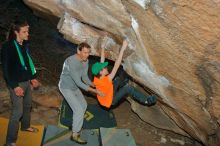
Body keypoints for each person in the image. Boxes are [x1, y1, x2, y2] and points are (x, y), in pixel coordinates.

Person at [1, 20, 40, 146]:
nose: (28, 33)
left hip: (27, 82)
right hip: (16, 83)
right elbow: (6, 70)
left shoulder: (23, 44)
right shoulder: (8, 47)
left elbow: (27, 63)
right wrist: (14, 86)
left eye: (28, 31)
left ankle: (25, 126)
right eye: (24, 31)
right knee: (17, 112)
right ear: (16, 32)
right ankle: (10, 141)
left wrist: (33, 77)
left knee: (27, 106)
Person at [91, 39, 157, 109]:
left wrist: (103, 47)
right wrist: (123, 48)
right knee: (128, 88)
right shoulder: (106, 80)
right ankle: (146, 101)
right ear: (101, 72)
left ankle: (124, 81)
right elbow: (116, 65)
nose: (106, 67)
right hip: (110, 101)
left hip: (106, 94)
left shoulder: (97, 77)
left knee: (117, 79)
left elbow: (102, 61)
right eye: (104, 68)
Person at [58, 42, 103, 145]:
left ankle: (75, 125)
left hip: (74, 87)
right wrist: (95, 91)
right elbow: (79, 82)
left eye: (88, 53)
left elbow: (84, 77)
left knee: (83, 105)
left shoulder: (85, 61)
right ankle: (75, 135)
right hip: (66, 87)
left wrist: (93, 85)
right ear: (78, 51)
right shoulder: (71, 62)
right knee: (78, 110)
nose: (87, 55)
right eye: (85, 52)